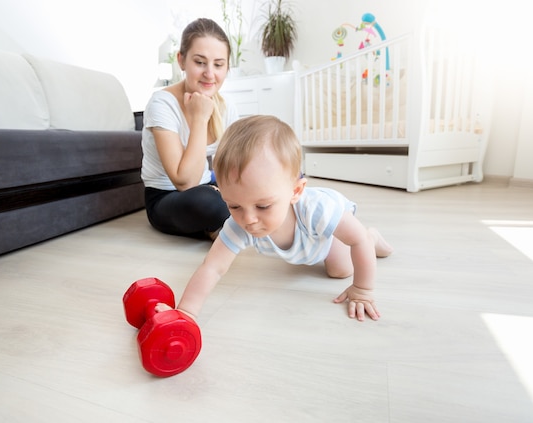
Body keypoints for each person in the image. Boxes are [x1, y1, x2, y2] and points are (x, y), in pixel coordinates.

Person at [158, 115, 394, 321]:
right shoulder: (238, 224)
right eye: (234, 205)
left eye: (263, 205)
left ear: (295, 191)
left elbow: (356, 241)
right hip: (305, 247)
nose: (248, 219)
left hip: (327, 236)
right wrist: (186, 313)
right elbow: (212, 267)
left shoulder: (317, 209)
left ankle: (373, 237)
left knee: (340, 269)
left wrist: (362, 289)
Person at [141, 18, 239, 240]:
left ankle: (226, 227)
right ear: (181, 60)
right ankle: (230, 227)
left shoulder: (227, 107)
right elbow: (185, 182)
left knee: (265, 189)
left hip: (209, 186)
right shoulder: (162, 103)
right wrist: (200, 118)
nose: (210, 74)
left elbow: (234, 165)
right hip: (167, 198)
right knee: (209, 202)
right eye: (200, 62)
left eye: (218, 64)